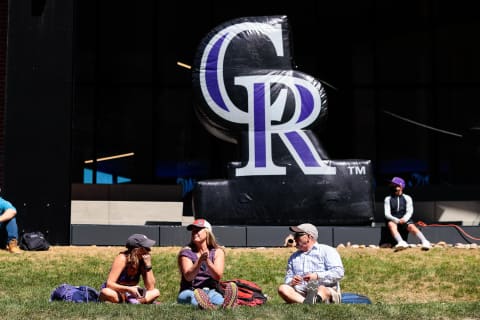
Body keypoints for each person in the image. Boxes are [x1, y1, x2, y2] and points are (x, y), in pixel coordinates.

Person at [177, 218, 238, 310]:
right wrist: (199, 261)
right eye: (193, 230)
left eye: (198, 230)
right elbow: (188, 277)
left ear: (207, 232)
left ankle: (224, 304)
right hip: (190, 291)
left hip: (210, 291)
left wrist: (207, 262)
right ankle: (205, 304)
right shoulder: (186, 253)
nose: (194, 232)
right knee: (191, 298)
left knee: (219, 299)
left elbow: (217, 276)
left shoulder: (217, 252)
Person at [278, 223, 344, 304]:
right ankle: (309, 302)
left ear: (309, 237)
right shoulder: (293, 257)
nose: (294, 238)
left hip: (324, 290)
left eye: (298, 235)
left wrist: (317, 276)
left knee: (322, 289)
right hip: (301, 292)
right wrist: (292, 281)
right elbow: (288, 277)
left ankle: (315, 299)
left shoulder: (327, 250)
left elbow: (339, 272)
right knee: (282, 288)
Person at [99, 234, 160, 304]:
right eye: (146, 248)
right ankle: (136, 302)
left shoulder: (143, 261)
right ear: (136, 250)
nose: (149, 250)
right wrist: (129, 289)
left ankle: (132, 302)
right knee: (106, 292)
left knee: (156, 292)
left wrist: (148, 265)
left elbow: (151, 287)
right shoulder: (122, 258)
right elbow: (109, 284)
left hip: (131, 294)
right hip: (117, 292)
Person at [384, 176, 432, 251]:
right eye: (392, 184)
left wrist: (404, 219)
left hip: (405, 219)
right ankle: (401, 242)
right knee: (391, 224)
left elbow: (410, 211)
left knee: (411, 226)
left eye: (395, 184)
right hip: (393, 219)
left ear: (401, 186)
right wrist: (396, 220)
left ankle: (425, 241)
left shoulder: (407, 198)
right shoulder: (388, 198)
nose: (392, 186)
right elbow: (387, 214)